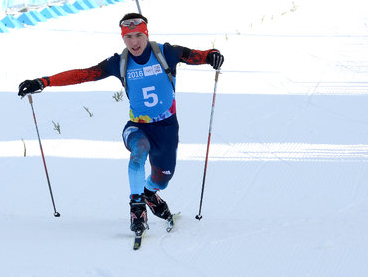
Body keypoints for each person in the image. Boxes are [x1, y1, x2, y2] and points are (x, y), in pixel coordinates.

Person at [17, 13, 224, 233]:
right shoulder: (119, 63)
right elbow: (84, 74)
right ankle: (137, 209)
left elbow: (199, 55)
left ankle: (149, 193)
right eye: (128, 37)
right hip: (137, 127)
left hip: (167, 128)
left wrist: (213, 56)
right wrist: (43, 82)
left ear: (146, 34)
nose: (134, 42)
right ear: (123, 38)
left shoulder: (167, 53)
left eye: (138, 36)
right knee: (138, 152)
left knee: (162, 178)